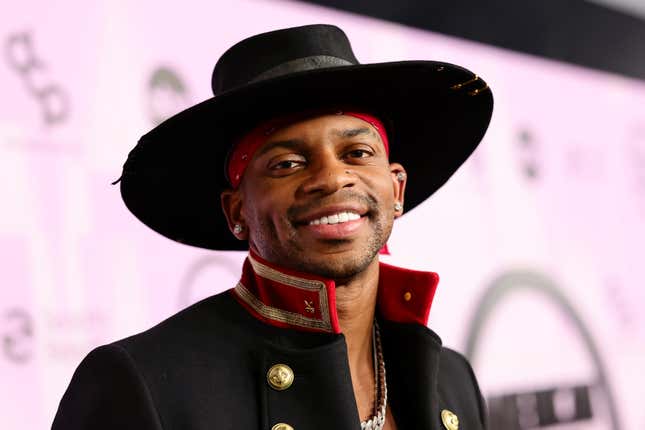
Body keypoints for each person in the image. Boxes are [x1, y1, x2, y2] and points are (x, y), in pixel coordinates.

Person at [52, 24, 493, 430]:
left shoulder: (454, 380)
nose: (332, 178)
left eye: (357, 153)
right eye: (287, 163)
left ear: (397, 190)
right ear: (237, 213)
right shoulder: (139, 382)